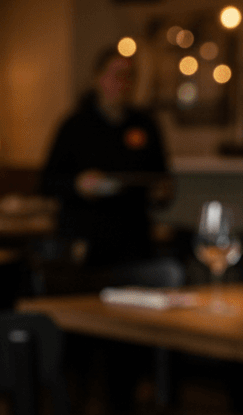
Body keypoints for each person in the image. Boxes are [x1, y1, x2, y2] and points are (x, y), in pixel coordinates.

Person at [40, 46, 172, 269]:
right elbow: (47, 182)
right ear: (98, 78)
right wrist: (78, 184)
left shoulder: (146, 125)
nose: (123, 83)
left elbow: (161, 179)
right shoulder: (74, 126)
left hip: (134, 240)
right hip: (85, 241)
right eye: (117, 75)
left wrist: (162, 191)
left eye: (129, 76)